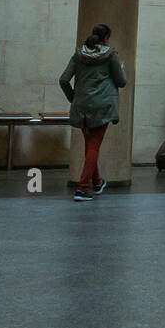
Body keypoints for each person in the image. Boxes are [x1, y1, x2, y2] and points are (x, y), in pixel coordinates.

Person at [59, 23, 127, 201]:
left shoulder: (78, 54)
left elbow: (63, 79)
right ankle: (82, 189)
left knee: (90, 146)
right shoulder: (110, 55)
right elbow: (121, 82)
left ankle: (97, 183)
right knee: (94, 147)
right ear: (106, 38)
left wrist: (73, 97)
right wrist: (121, 69)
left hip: (81, 107)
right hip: (102, 107)